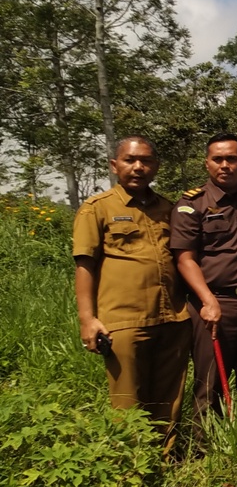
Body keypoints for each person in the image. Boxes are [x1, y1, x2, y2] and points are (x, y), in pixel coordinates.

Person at [73, 136, 190, 451]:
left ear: (156, 166)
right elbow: (85, 265)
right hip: (123, 321)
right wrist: (87, 319)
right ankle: (132, 467)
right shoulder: (97, 208)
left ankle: (166, 459)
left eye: (146, 161)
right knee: (127, 401)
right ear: (114, 165)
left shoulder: (168, 208)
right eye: (129, 160)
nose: (138, 167)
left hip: (173, 317)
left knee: (169, 397)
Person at [170, 133, 237, 430]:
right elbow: (184, 259)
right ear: (207, 164)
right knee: (210, 380)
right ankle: (204, 449)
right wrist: (207, 300)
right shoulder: (192, 204)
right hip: (214, 304)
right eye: (218, 159)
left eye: (231, 159)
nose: (224, 165)